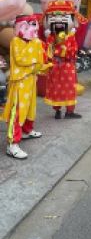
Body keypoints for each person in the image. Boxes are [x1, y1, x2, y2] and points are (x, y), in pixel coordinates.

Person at [4, 13, 49, 159]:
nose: (34, 29)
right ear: (21, 26)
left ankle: (27, 130)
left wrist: (44, 67)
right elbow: (21, 59)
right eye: (31, 25)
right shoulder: (16, 41)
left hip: (30, 80)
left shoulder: (35, 42)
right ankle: (12, 144)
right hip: (19, 82)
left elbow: (40, 59)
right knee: (17, 112)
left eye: (35, 25)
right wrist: (36, 62)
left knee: (30, 108)